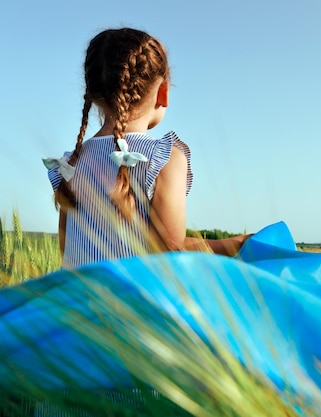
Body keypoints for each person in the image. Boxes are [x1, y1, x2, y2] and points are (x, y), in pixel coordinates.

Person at [43, 28, 249, 269]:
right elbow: (171, 252)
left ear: (92, 94)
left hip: (77, 303)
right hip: (133, 304)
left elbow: (66, 251)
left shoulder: (71, 164)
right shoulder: (164, 159)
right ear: (163, 92)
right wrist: (238, 243)